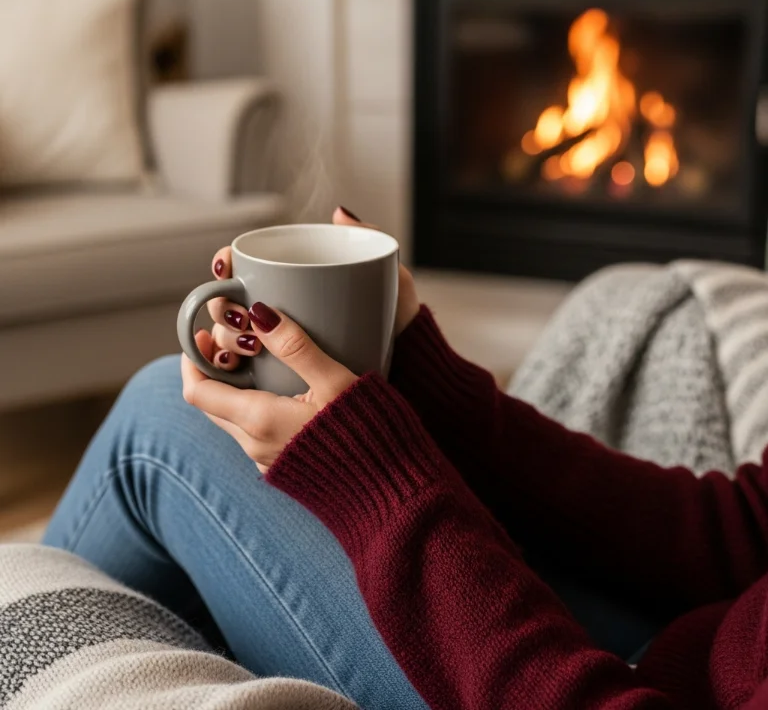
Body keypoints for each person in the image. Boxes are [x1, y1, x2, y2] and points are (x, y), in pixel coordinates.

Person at [44, 208, 768, 709]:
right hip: (679, 647)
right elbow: (737, 529)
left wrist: (375, 481)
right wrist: (427, 386)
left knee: (161, 421)